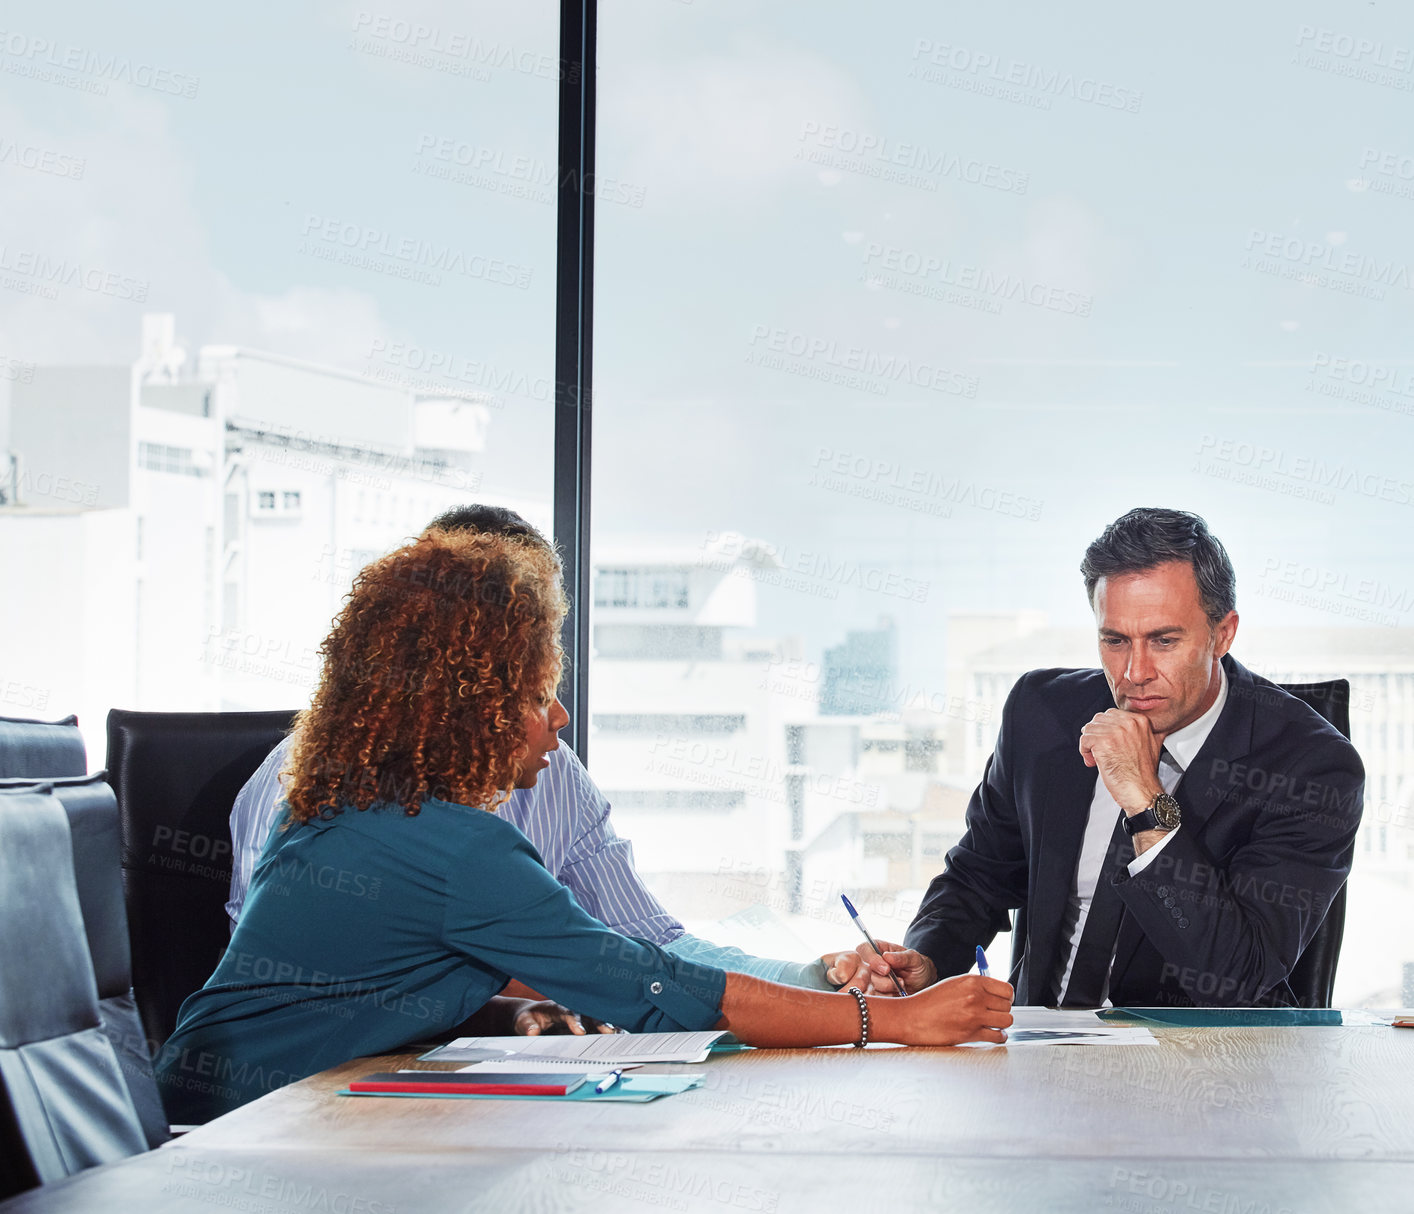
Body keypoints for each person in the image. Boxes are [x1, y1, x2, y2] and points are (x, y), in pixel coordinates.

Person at [157, 526, 1011, 1120]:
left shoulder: (347, 805)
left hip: (239, 1111)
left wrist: (812, 981)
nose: (559, 717)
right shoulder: (457, 847)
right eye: (533, 696)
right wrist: (896, 1023)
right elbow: (650, 985)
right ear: (467, 710)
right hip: (239, 1136)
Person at [228, 505, 843, 999]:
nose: (550, 702)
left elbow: (647, 941)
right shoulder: (306, 790)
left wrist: (811, 980)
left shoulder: (554, 774)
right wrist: (533, 995)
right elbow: (284, 973)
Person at [837, 508, 1364, 1008]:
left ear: (1222, 633)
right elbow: (978, 877)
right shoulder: (1041, 712)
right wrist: (926, 959)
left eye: (1163, 641)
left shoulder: (1311, 765)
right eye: (1114, 640)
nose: (1134, 672)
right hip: (1036, 1052)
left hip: (1201, 1068)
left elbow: (1237, 977)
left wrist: (1144, 798)